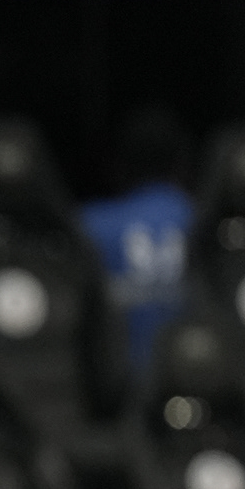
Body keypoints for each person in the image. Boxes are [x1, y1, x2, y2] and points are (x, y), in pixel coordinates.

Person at [78, 108, 191, 372]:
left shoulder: (87, 226)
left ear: (117, 166)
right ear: (183, 164)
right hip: (199, 376)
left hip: (115, 387)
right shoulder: (210, 223)